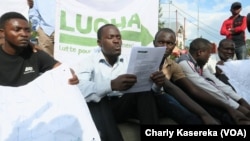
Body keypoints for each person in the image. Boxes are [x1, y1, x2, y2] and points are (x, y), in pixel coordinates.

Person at [75, 24, 164, 141]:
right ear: (99, 42)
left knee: (144, 93)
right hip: (101, 111)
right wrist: (111, 85)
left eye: (118, 37)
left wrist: (157, 85)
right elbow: (79, 89)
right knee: (99, 99)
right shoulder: (88, 61)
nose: (116, 41)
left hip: (123, 106)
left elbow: (152, 91)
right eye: (111, 37)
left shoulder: (129, 60)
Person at [177, 38, 250, 124]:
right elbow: (207, 87)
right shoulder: (184, 63)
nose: (209, 56)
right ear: (200, 52)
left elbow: (216, 83)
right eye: (208, 53)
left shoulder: (200, 64)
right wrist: (236, 106)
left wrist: (240, 99)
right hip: (191, 99)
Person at [153, 28, 219, 125]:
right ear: (154, 43)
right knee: (164, 96)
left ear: (174, 46)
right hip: (146, 103)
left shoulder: (173, 65)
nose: (164, 46)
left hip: (163, 104)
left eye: (169, 43)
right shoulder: (143, 60)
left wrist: (205, 115)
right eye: (161, 42)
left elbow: (190, 89)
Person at [0, 11, 78, 86]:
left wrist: (70, 74)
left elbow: (61, 69)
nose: (24, 34)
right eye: (17, 30)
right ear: (2, 32)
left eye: (27, 30)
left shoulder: (34, 52)